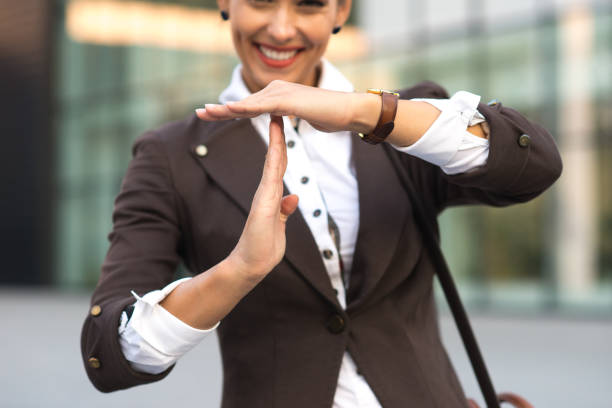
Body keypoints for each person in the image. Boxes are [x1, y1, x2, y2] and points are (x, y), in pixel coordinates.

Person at [80, 0, 562, 407]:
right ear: (225, 2)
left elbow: (535, 164)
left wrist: (363, 110)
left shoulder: (403, 121)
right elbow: (110, 354)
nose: (282, 27)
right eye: (262, 1)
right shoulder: (171, 155)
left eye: (309, 3)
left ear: (341, 10)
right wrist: (237, 273)